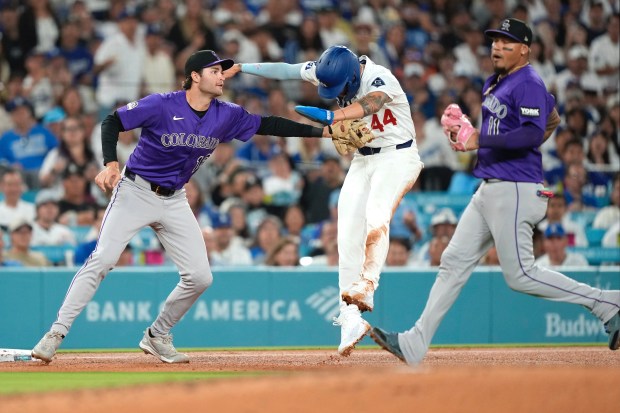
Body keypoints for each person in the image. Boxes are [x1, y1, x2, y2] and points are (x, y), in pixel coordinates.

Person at [31, 49, 335, 364]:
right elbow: (112, 121)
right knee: (103, 259)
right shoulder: (161, 104)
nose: (221, 76)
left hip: (175, 198)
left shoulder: (225, 113)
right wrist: (110, 164)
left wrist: (323, 131)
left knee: (201, 277)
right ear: (194, 75)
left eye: (222, 71)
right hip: (136, 191)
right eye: (215, 71)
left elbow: (268, 124)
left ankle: (157, 335)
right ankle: (56, 333)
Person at [370, 18, 620, 366]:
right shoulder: (495, 83)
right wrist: (468, 131)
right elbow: (552, 118)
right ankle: (414, 344)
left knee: (521, 275)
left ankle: (607, 301)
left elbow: (534, 133)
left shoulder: (529, 80)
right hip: (490, 187)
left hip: (516, 188)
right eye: (495, 41)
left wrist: (480, 138)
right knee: (452, 262)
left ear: (525, 49)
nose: (497, 47)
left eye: (507, 42)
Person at [226, 44, 424, 356]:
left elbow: (373, 103)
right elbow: (286, 69)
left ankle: (367, 287)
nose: (330, 90)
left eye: (336, 88)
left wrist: (336, 115)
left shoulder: (378, 76)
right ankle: (350, 318)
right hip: (364, 158)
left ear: (350, 75)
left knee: (376, 214)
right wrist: (242, 66)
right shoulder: (327, 69)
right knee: (346, 232)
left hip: (398, 156)